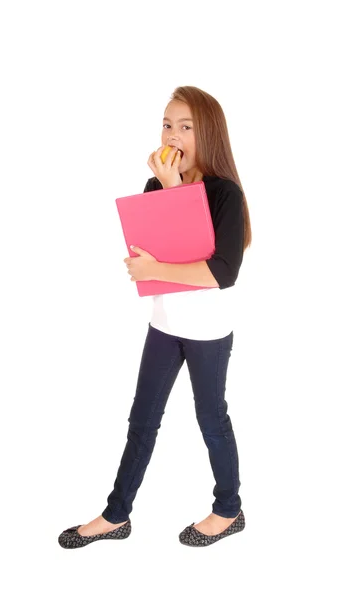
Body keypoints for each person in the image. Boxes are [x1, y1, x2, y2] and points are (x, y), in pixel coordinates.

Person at [58, 86, 252, 549]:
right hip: (165, 325)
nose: (173, 134)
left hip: (207, 332)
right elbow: (155, 253)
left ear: (209, 134)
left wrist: (171, 199)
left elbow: (221, 272)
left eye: (186, 126)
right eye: (167, 124)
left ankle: (229, 510)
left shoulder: (225, 193)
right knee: (142, 420)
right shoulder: (153, 186)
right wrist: (148, 261)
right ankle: (115, 515)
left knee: (211, 419)